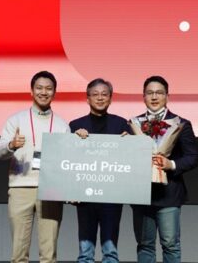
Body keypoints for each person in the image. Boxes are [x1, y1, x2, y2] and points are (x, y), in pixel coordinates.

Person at [0, 71, 70, 263]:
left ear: (54, 92)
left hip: (51, 191)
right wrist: (12, 145)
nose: (43, 92)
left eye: (48, 88)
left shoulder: (62, 125)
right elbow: (0, 153)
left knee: (49, 253)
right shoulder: (16, 120)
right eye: (39, 88)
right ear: (31, 91)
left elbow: (67, 162)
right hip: (21, 188)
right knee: (19, 253)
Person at [132, 76, 198, 263]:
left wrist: (171, 164)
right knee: (145, 245)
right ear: (143, 96)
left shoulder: (181, 124)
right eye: (150, 93)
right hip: (141, 195)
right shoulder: (132, 124)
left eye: (159, 93)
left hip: (169, 193)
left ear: (167, 96)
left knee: (170, 244)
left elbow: (193, 157)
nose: (154, 97)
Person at [69, 78, 130, 263]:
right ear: (87, 99)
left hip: (112, 196)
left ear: (111, 99)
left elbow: (129, 161)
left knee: (110, 252)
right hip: (85, 196)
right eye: (95, 94)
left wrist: (129, 143)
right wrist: (74, 140)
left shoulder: (122, 125)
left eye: (104, 94)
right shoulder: (74, 126)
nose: (100, 98)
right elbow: (68, 161)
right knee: (85, 253)